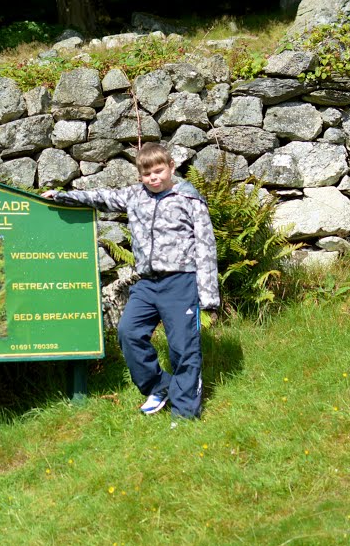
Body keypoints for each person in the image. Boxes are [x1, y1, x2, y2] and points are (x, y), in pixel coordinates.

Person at [43, 143, 219, 418]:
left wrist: (208, 296)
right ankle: (160, 386)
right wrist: (63, 197)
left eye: (159, 171)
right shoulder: (134, 196)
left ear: (171, 167)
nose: (154, 178)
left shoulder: (190, 199)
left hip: (180, 281)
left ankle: (185, 413)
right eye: (147, 174)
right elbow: (99, 198)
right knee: (128, 332)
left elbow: (206, 247)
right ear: (140, 175)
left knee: (183, 348)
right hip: (146, 283)